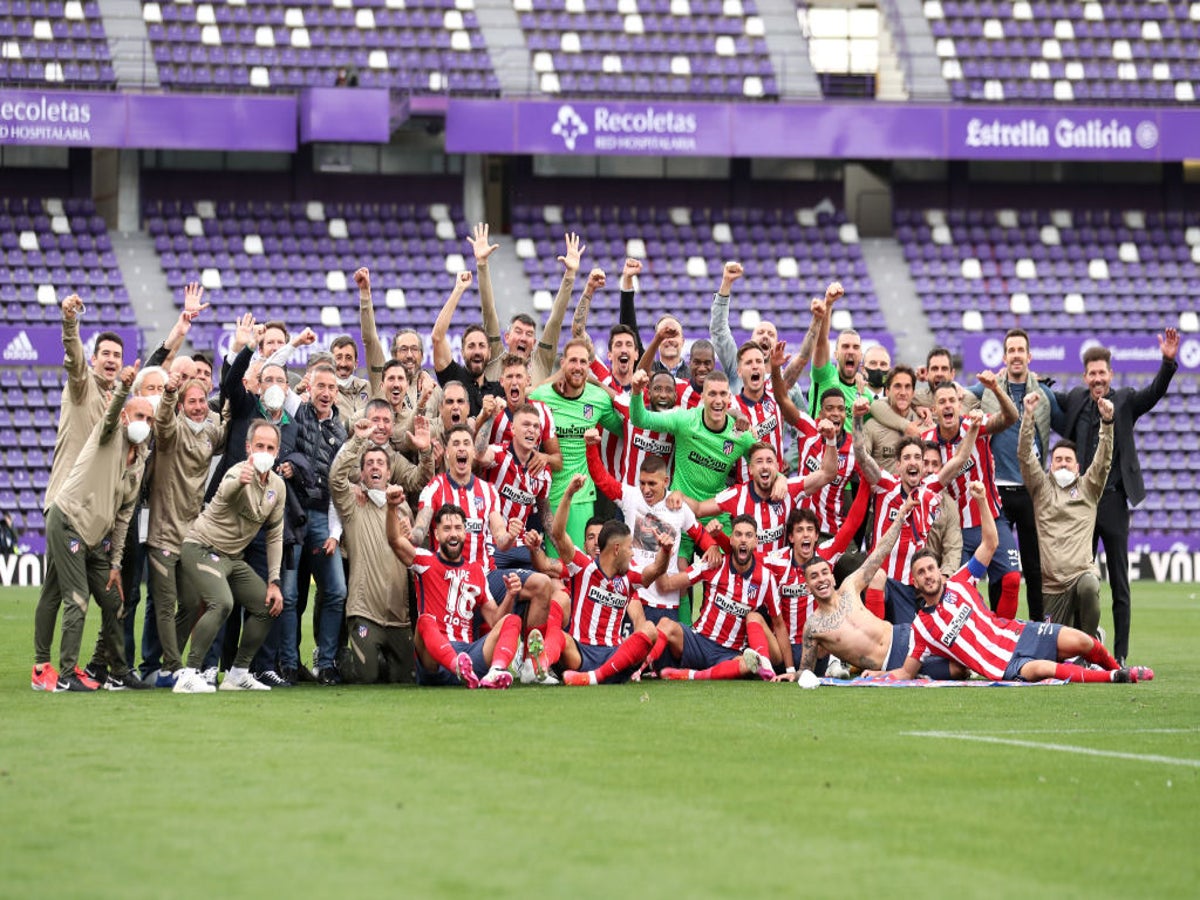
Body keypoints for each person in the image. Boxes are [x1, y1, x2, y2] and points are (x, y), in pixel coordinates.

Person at [867, 483, 1152, 685]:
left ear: (938, 571)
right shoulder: (921, 628)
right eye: (921, 573)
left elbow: (990, 544)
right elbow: (906, 672)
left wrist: (981, 501)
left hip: (1019, 633)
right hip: (1002, 666)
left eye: (931, 568)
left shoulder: (960, 582)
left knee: (1082, 641)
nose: (928, 575)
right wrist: (875, 674)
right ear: (915, 582)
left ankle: (1117, 666)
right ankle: (1116, 677)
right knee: (1045, 668)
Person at [1052, 330, 1179, 664]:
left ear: (1110, 374)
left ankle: (1120, 654)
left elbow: (1155, 392)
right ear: (1085, 377)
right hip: (1082, 504)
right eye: (1092, 373)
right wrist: (1035, 380)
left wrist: (1167, 361)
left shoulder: (1124, 400)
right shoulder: (1077, 399)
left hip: (1113, 501)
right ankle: (1080, 649)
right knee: (1080, 580)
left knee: (1120, 583)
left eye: (1102, 373)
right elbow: (1051, 400)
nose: (1097, 379)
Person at [34, 363, 151, 692]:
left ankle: (118, 672)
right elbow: (113, 411)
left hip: (96, 539)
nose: (144, 424)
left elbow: (125, 515)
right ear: (126, 417)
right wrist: (125, 389)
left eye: (149, 418)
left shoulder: (139, 460)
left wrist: (115, 564)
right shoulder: (109, 432)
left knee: (114, 601)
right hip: (69, 522)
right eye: (138, 416)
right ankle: (66, 675)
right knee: (76, 597)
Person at [794, 492, 965, 684]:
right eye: (814, 577)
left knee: (963, 645)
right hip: (891, 662)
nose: (821, 579)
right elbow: (805, 671)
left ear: (833, 578)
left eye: (824, 573)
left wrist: (900, 517)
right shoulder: (813, 626)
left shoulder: (849, 587)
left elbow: (880, 553)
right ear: (808, 587)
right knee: (959, 670)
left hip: (906, 633)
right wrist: (791, 674)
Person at [173, 421, 287, 693]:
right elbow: (225, 492)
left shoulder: (278, 487)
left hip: (233, 558)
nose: (264, 451)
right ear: (248, 447)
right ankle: (188, 673)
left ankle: (238, 673)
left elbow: (275, 535)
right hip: (201, 547)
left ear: (278, 451)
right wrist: (240, 482)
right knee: (222, 603)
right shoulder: (237, 472)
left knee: (267, 605)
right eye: (259, 446)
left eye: (270, 447)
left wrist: (275, 581)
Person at [966, 328, 1062, 622]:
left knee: (1034, 568)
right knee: (999, 568)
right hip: (996, 491)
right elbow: (956, 399)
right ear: (1005, 357)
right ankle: (996, 628)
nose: (1017, 355)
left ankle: (1036, 628)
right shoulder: (986, 391)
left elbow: (1068, 423)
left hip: (1031, 491)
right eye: (1012, 351)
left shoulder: (1044, 394)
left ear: (1029, 356)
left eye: (1021, 350)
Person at [854, 403, 979, 618]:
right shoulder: (884, 485)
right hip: (880, 581)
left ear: (922, 466)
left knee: (908, 639)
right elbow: (861, 454)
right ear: (899, 465)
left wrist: (974, 428)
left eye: (917, 458)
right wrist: (857, 420)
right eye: (907, 458)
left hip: (912, 587)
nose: (913, 462)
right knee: (877, 583)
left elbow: (959, 459)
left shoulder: (930, 489)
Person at [386, 496, 524, 689]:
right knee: (425, 621)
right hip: (435, 659)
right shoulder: (425, 561)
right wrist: (392, 507)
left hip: (469, 652)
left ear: (465, 533)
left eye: (458, 528)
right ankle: (457, 667)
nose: (453, 534)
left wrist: (510, 595)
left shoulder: (476, 571)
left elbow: (494, 620)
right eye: (447, 529)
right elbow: (395, 541)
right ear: (436, 534)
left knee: (512, 620)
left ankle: (496, 672)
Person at [144, 370, 227, 688]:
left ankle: (169, 666)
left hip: (192, 537)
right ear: (181, 405)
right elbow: (162, 422)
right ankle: (174, 669)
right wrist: (168, 394)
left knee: (193, 603)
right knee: (164, 605)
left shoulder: (209, 432)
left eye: (201, 400)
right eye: (191, 401)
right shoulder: (171, 430)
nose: (197, 406)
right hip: (163, 532)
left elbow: (229, 425)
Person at [585, 431, 717, 623]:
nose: (646, 489)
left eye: (652, 483)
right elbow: (601, 478)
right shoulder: (630, 496)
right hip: (633, 598)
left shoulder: (678, 507)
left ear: (665, 481)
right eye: (642, 483)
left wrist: (712, 546)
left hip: (665, 604)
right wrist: (590, 447)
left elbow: (699, 534)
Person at [921, 374, 1022, 618]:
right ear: (934, 410)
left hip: (991, 520)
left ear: (959, 404)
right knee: (956, 593)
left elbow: (1011, 417)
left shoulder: (975, 425)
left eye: (952, 400)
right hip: (955, 530)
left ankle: (1004, 642)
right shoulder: (924, 442)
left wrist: (996, 388)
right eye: (942, 402)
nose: (947, 405)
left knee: (1011, 580)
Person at [548, 503, 674, 686]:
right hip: (581, 654)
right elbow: (558, 534)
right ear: (616, 549)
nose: (632, 553)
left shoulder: (629, 577)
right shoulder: (583, 567)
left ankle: (594, 677)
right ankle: (541, 666)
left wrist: (666, 551)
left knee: (650, 629)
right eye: (629, 547)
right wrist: (568, 495)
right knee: (558, 636)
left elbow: (656, 570)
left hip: (613, 657)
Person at [1020, 393, 1114, 639]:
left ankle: (1091, 645)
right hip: (1051, 587)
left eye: (1068, 460)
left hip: (1080, 575)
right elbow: (1024, 455)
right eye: (1058, 459)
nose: (1063, 464)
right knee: (1056, 654)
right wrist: (1028, 417)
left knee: (1090, 585)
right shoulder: (1041, 488)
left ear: (1077, 467)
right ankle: (1086, 635)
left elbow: (1103, 460)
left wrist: (1107, 424)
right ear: (1050, 465)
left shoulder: (1089, 487)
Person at [330, 419, 417, 684]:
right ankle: (340, 659)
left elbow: (411, 556)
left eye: (380, 464)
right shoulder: (353, 504)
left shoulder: (403, 510)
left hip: (398, 618)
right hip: (364, 612)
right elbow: (335, 477)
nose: (375, 467)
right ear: (363, 474)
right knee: (367, 678)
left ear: (389, 473)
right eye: (369, 464)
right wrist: (357, 439)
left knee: (403, 680)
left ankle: (381, 660)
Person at [653, 515, 782, 681]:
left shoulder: (765, 578)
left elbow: (779, 624)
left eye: (748, 535)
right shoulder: (713, 563)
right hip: (699, 642)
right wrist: (663, 551)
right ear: (731, 540)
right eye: (738, 534)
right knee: (665, 625)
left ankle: (690, 675)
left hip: (729, 654)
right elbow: (666, 585)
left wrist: (791, 668)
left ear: (756, 541)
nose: (743, 540)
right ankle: (640, 669)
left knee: (749, 664)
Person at [529, 337, 624, 551]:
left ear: (589, 366)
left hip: (582, 494)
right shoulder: (542, 396)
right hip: (550, 496)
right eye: (573, 361)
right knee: (556, 566)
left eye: (583, 362)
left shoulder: (598, 398)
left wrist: (600, 384)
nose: (578, 367)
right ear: (562, 363)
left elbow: (626, 428)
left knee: (580, 562)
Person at [287, 363, 349, 684]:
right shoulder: (297, 412)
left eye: (331, 388)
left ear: (337, 392)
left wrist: (336, 534)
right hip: (292, 516)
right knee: (290, 594)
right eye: (320, 386)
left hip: (324, 519)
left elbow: (339, 488)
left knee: (336, 590)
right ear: (309, 388)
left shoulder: (341, 432)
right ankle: (288, 663)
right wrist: (293, 343)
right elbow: (272, 375)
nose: (326, 393)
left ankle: (325, 664)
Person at [676, 435, 837, 555]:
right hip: (748, 578)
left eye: (769, 461)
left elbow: (828, 474)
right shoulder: (737, 495)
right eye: (759, 461)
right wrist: (675, 494)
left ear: (777, 466)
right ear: (750, 470)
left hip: (778, 578)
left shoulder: (789, 489)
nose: (765, 466)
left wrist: (830, 440)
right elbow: (699, 509)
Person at [483, 230, 583, 385]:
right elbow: (488, 311)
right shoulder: (494, 356)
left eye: (529, 334)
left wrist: (570, 274)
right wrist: (482, 264)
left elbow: (555, 320)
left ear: (534, 342)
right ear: (506, 338)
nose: (523, 337)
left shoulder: (542, 361)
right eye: (518, 331)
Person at [431, 270, 503, 417]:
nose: (477, 351)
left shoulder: (499, 390)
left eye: (481, 346)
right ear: (462, 351)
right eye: (471, 346)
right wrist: (458, 289)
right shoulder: (452, 375)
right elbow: (437, 337)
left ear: (489, 352)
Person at [860, 365, 925, 473]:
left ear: (913, 393)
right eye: (897, 386)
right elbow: (861, 463)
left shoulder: (924, 424)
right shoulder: (872, 425)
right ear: (887, 391)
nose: (903, 393)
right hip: (882, 489)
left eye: (907, 387)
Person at [329, 334, 372, 425]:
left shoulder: (368, 388)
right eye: (338, 358)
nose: (343, 364)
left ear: (356, 363)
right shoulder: (326, 392)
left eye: (348, 358)